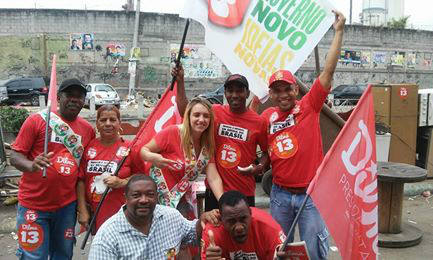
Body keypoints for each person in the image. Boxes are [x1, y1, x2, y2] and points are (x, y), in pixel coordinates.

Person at [258, 11, 346, 260]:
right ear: (271, 95)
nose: (283, 94)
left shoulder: (309, 106)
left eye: (288, 88)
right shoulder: (267, 118)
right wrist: (260, 164)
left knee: (314, 252)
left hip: (311, 196)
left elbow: (327, 73)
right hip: (279, 195)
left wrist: (338, 32)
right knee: (278, 251)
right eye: (277, 91)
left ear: (296, 89)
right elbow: (265, 149)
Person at [10, 78, 95, 259]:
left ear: (84, 101)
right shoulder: (36, 121)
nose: (74, 100)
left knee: (63, 254)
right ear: (58, 97)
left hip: (66, 207)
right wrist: (31, 165)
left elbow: (83, 172)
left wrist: (82, 207)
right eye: (69, 95)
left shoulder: (88, 130)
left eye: (79, 96)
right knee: (33, 256)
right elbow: (15, 156)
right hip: (33, 205)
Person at [173, 68, 269, 211]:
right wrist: (180, 82)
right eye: (230, 91)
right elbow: (186, 112)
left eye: (239, 91)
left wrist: (259, 167)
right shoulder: (216, 112)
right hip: (214, 190)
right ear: (225, 94)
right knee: (214, 232)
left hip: (244, 192)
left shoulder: (259, 122)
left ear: (247, 93)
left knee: (242, 233)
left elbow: (267, 152)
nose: (234, 95)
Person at [89, 174, 220, 259]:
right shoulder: (107, 237)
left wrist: (204, 219)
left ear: (157, 197)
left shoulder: (170, 216)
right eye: (136, 195)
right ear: (126, 198)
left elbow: (192, 233)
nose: (144, 200)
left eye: (150, 195)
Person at [140, 97, 224, 218]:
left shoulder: (207, 144)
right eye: (196, 115)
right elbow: (144, 150)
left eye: (206, 116)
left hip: (179, 199)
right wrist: (153, 157)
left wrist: (223, 202)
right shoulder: (172, 132)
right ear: (188, 116)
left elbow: (213, 178)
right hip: (155, 197)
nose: (201, 120)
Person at [77, 105, 133, 232]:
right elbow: (81, 180)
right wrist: (82, 210)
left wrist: (122, 182)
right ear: (97, 124)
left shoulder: (130, 148)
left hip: (123, 215)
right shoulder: (88, 147)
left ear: (120, 123)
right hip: (95, 214)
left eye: (112, 120)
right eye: (103, 120)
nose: (108, 124)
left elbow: (142, 178)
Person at [202, 190, 292, 260]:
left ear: (250, 213)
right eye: (231, 221)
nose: (239, 227)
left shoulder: (269, 228)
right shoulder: (211, 234)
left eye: (243, 219)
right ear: (221, 219)